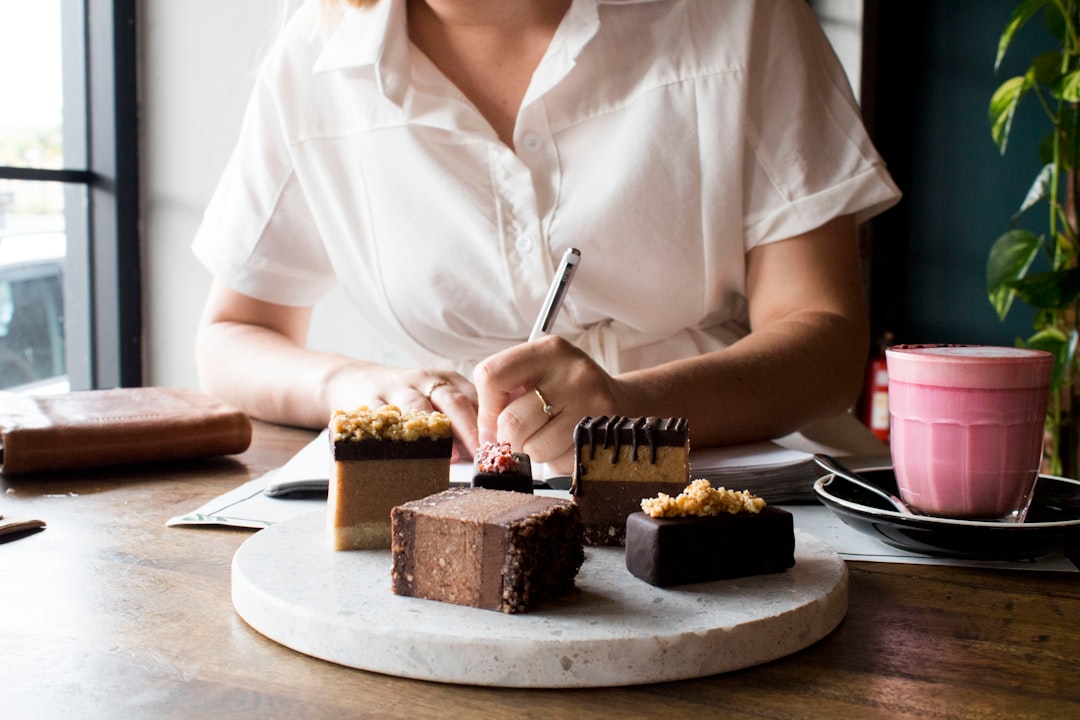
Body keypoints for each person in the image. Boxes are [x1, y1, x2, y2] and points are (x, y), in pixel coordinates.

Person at [193, 0, 901, 473]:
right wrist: (360, 387)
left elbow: (827, 338)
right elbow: (230, 336)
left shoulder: (738, 18)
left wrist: (630, 411)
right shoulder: (315, 58)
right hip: (458, 500)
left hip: (739, 493)